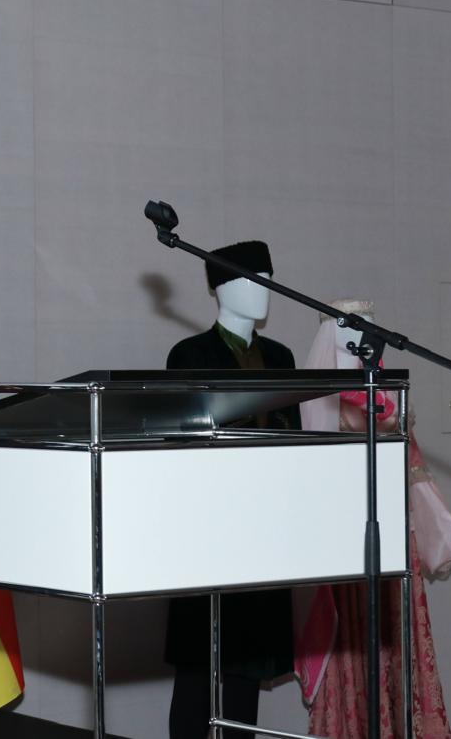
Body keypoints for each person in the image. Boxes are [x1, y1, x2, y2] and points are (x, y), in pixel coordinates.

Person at [294, 300, 451, 737]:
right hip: (349, 537)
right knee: (354, 640)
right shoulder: (321, 397)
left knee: (396, 636)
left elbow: (410, 461)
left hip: (393, 532)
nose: (364, 339)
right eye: (353, 329)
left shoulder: (385, 389)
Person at [163, 240, 298, 739]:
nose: (263, 293)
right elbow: (182, 444)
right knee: (197, 674)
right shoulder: (189, 354)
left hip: (264, 537)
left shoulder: (281, 357)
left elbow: (294, 440)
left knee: (247, 673)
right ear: (220, 288)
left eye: (268, 282)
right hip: (208, 537)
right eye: (251, 282)